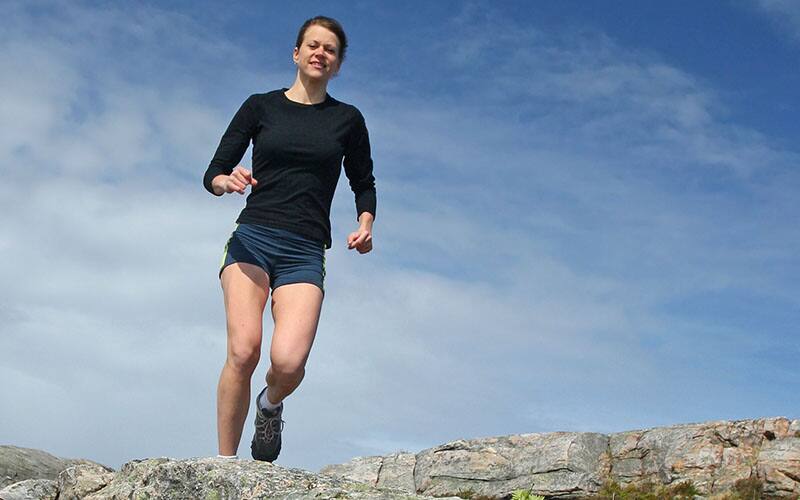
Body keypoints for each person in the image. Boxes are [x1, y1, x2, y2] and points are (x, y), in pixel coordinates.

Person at [203, 15, 376, 462]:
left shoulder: (347, 119)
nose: (320, 53)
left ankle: (270, 405)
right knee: (244, 350)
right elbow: (214, 172)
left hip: (305, 248)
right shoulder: (260, 107)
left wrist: (366, 221)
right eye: (313, 45)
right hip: (253, 239)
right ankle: (225, 467)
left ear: (337, 64)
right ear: (296, 54)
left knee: (288, 363)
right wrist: (228, 181)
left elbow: (363, 180)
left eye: (331, 50)